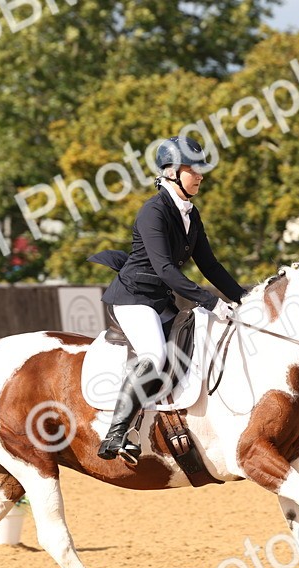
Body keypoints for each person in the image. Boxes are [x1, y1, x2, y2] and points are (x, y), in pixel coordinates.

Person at [97, 135, 246, 464]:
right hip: (135, 298)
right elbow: (165, 268)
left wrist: (243, 299)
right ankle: (117, 432)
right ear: (172, 172)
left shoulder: (191, 214)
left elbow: (210, 265)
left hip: (160, 300)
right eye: (194, 170)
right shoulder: (154, 211)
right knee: (154, 354)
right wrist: (209, 301)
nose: (200, 176)